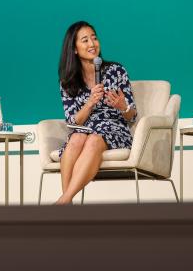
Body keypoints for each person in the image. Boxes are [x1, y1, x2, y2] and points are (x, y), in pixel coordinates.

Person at [55, 21, 137, 205]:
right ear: (74, 49)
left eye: (94, 38)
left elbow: (132, 115)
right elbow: (72, 122)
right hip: (84, 128)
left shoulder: (116, 70)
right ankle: (67, 205)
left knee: (93, 139)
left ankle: (63, 201)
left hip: (114, 128)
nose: (92, 44)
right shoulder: (68, 81)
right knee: (76, 138)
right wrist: (90, 103)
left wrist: (123, 106)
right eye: (85, 40)